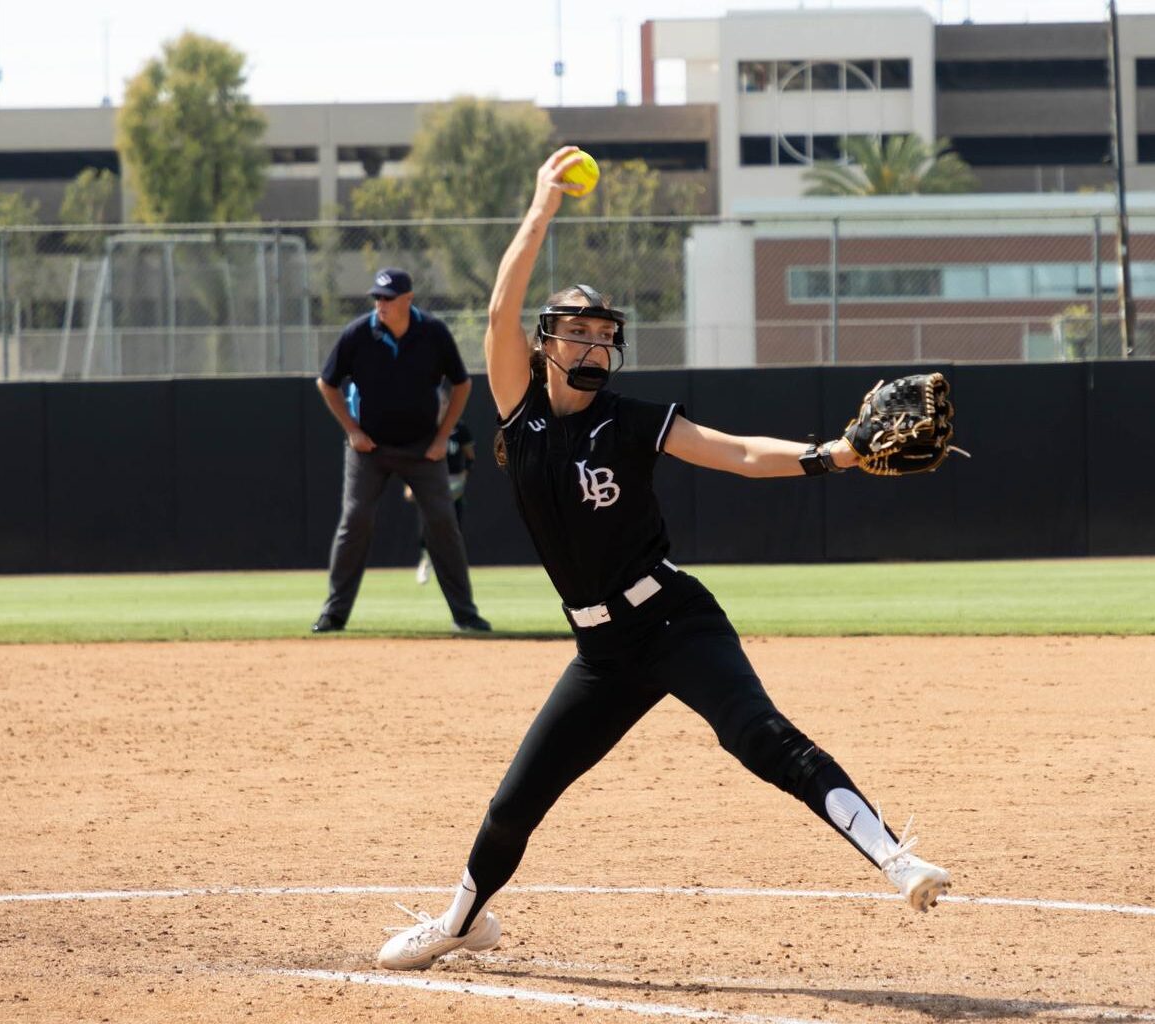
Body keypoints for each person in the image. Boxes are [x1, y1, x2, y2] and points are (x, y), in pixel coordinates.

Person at [375, 148, 950, 971]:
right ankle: (461, 920)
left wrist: (833, 455)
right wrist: (541, 206)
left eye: (606, 332)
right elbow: (500, 309)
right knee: (514, 805)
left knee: (759, 737)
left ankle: (896, 859)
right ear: (546, 344)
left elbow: (740, 454)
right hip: (602, 654)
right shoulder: (520, 416)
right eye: (578, 329)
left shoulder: (634, 419)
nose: (595, 342)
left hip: (674, 619)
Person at [312, 267, 490, 634]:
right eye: (377, 297)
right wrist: (352, 431)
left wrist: (442, 438)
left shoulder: (433, 333)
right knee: (355, 519)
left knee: (443, 523)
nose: (381, 304)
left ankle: (465, 614)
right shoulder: (359, 334)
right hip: (370, 447)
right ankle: (333, 615)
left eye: (388, 298)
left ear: (408, 300)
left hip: (422, 447)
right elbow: (326, 383)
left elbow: (462, 384)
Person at [407, 387, 476, 585]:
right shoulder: (424, 430)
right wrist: (410, 484)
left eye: (444, 402)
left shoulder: (459, 428)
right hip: (429, 482)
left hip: (453, 483)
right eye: (436, 402)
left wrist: (463, 477)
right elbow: (413, 459)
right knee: (427, 526)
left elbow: (470, 457)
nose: (440, 406)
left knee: (454, 527)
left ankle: (453, 569)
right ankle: (426, 561)